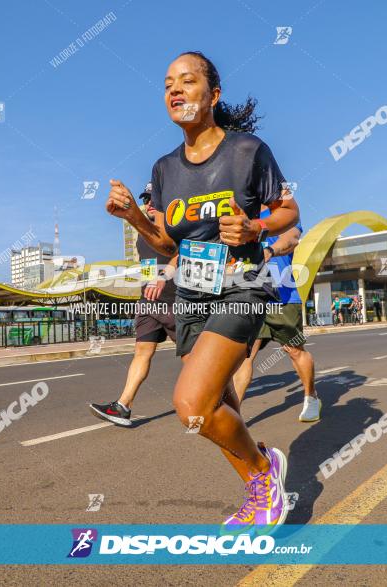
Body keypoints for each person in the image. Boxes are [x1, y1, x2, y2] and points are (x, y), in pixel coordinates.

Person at [104, 51, 299, 532]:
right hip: (189, 293)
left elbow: (289, 212)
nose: (175, 89)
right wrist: (133, 217)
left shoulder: (248, 151)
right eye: (168, 82)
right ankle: (263, 473)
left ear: (212, 94)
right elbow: (167, 242)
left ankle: (264, 481)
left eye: (187, 81)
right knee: (219, 403)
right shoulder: (164, 169)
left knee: (191, 405)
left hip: (242, 286)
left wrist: (255, 227)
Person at [90, 190, 177, 427]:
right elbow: (147, 265)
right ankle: (123, 406)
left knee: (193, 358)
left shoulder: (175, 228)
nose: (149, 203)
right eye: (146, 199)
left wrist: (164, 277)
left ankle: (221, 402)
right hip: (149, 303)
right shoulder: (142, 234)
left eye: (154, 200)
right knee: (141, 352)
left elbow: (185, 253)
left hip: (176, 302)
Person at [231, 208, 320, 422]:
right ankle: (233, 414)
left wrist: (269, 251)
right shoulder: (242, 211)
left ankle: (311, 397)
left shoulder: (283, 212)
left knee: (294, 351)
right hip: (251, 296)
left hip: (283, 296)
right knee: (244, 356)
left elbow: (292, 239)